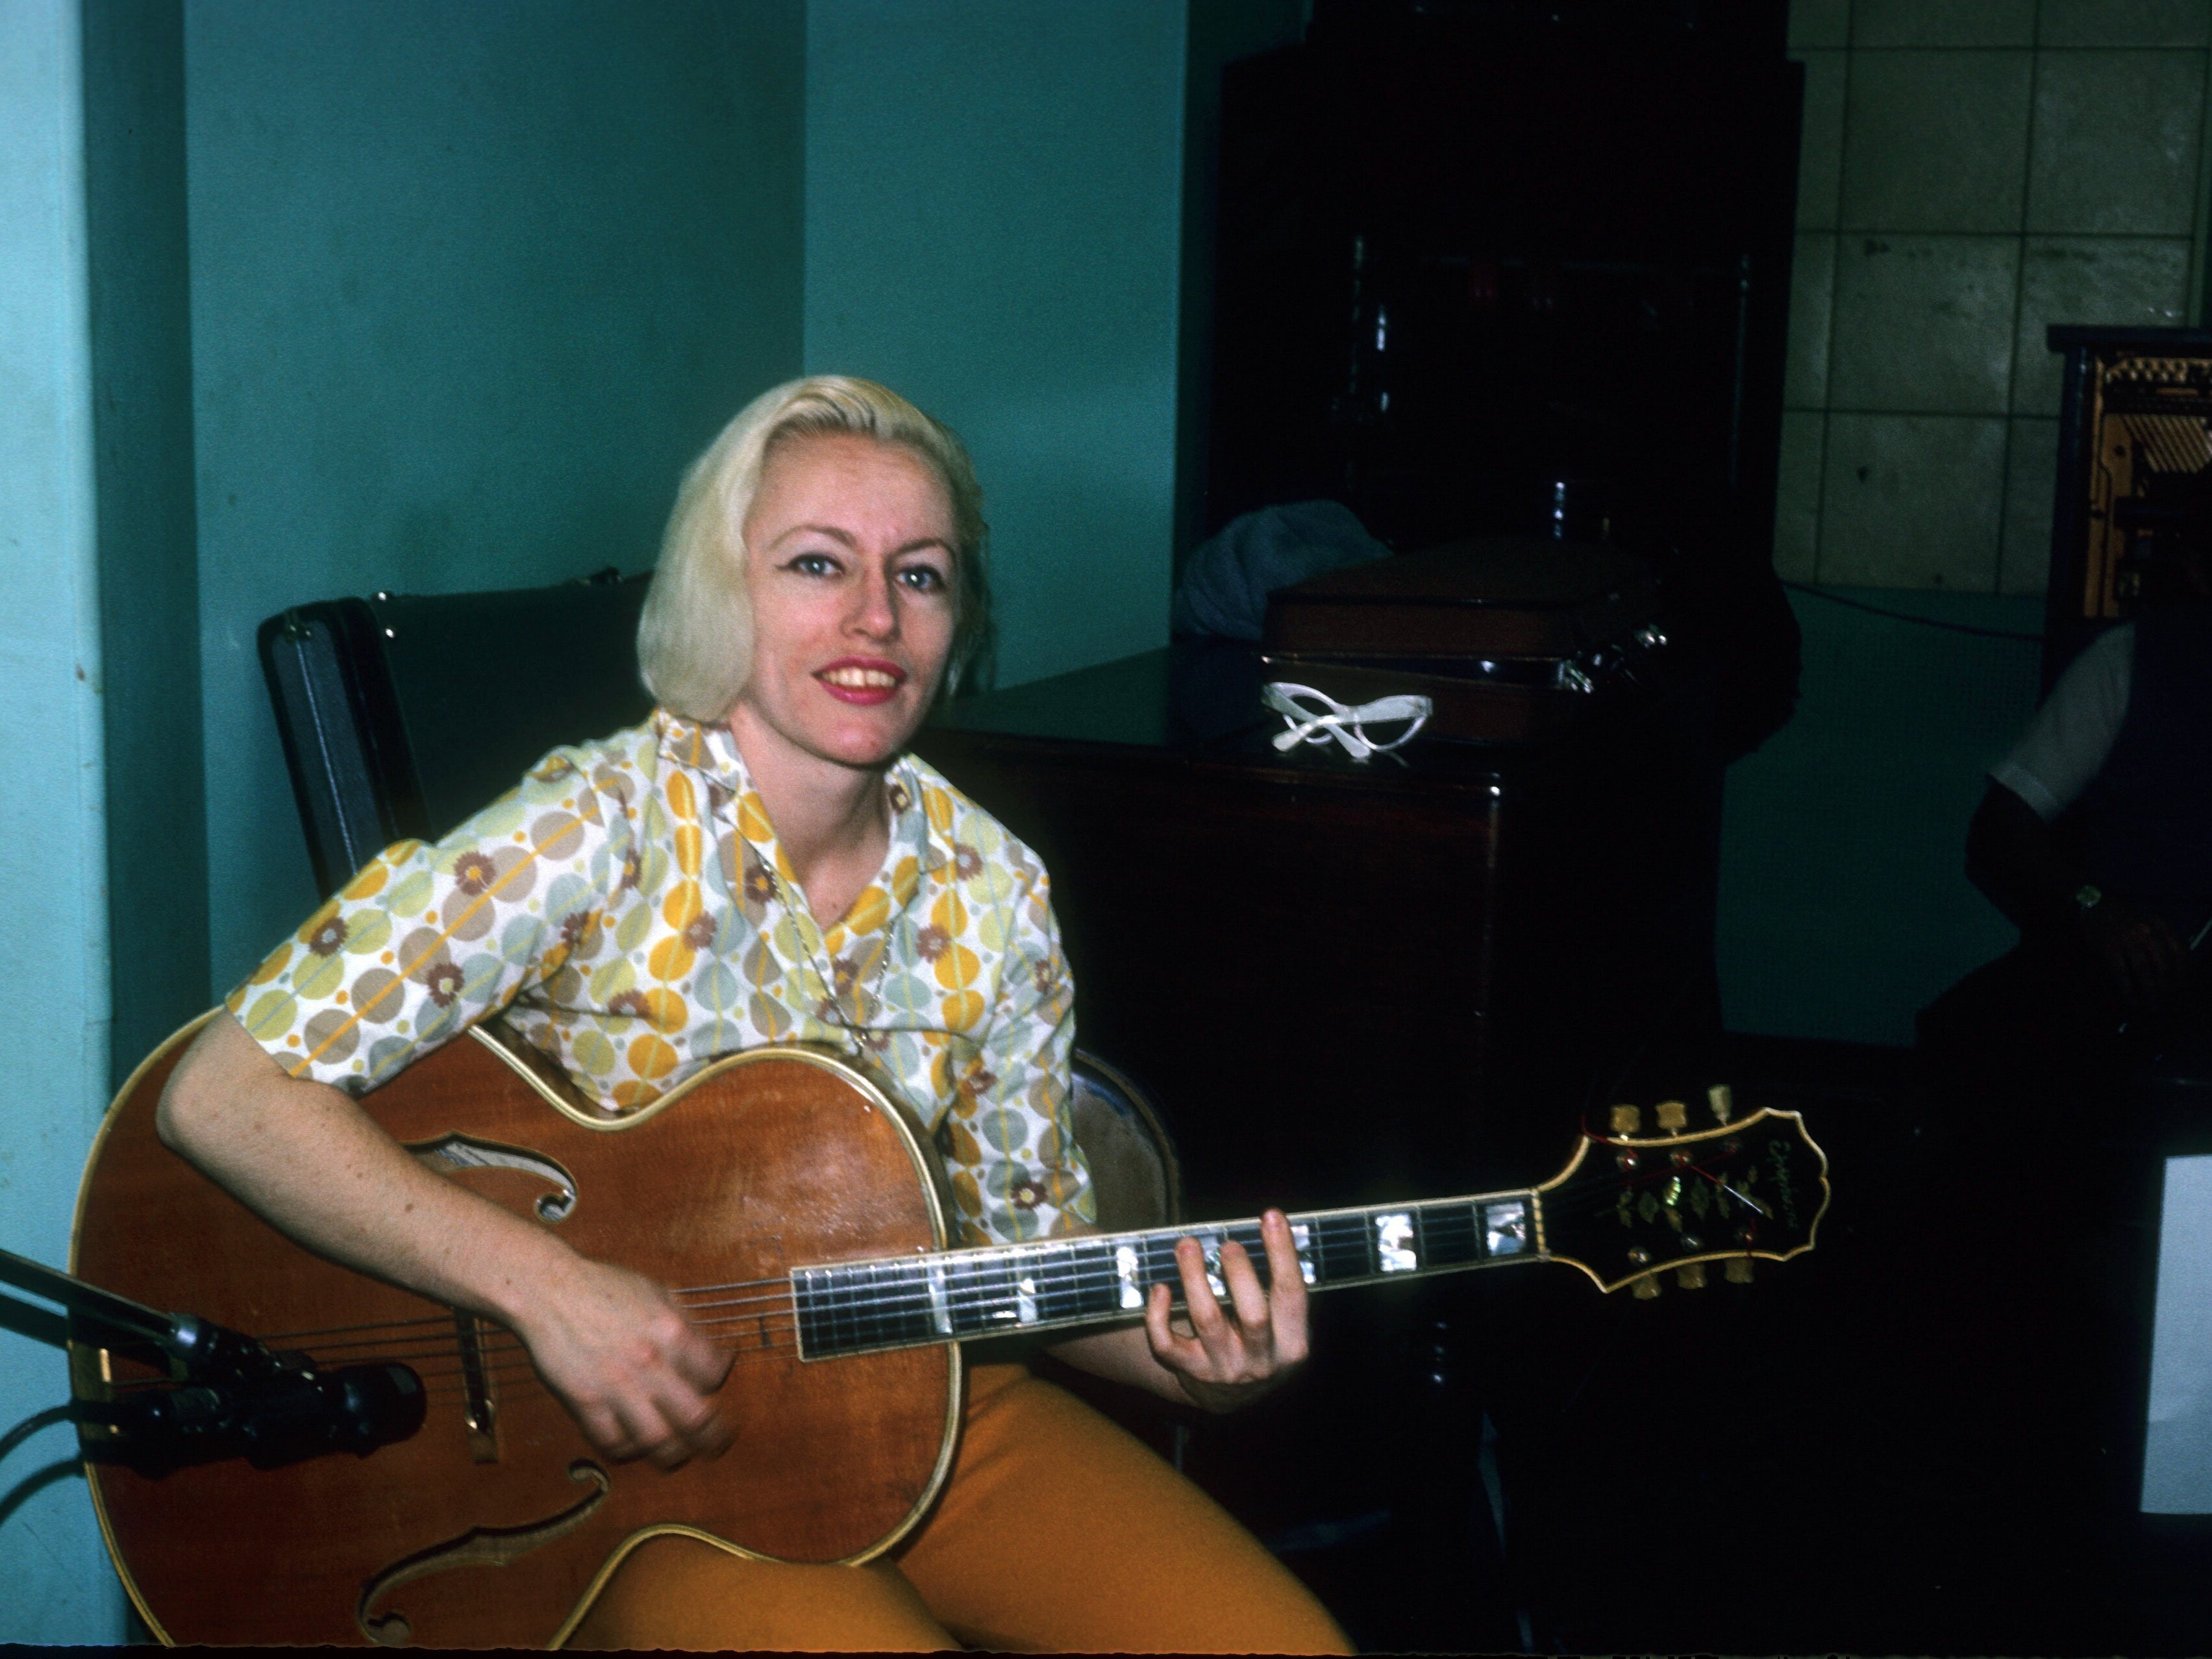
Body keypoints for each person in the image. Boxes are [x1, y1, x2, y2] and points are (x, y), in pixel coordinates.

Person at [157, 377, 1354, 1653]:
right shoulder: (596, 825)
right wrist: (549, 1288)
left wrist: (1195, 1360)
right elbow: (219, 1094)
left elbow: (1024, 1268)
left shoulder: (993, 887)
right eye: (815, 563)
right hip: (628, 1477)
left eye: (923, 574)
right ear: (723, 589)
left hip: (920, 1403)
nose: (874, 617)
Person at [1922, 516, 2212, 1103]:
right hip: (2124, 979)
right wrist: (2094, 907)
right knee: (1976, 1041)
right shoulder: (2127, 661)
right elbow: (2001, 831)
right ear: (2199, 571)